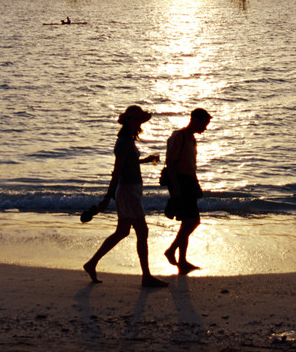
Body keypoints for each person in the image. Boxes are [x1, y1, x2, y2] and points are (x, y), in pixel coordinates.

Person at [83, 105, 168, 287]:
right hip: (128, 191)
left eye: (140, 120)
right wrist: (107, 197)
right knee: (141, 231)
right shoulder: (123, 142)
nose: (139, 123)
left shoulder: (128, 140)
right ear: (128, 121)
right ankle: (146, 276)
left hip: (132, 190)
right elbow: (117, 171)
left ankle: (91, 263)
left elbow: (129, 162)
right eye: (136, 119)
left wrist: (145, 160)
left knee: (122, 231)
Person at [164, 108, 211, 274]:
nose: (205, 128)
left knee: (186, 222)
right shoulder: (179, 136)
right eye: (204, 124)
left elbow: (190, 163)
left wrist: (195, 183)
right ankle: (171, 250)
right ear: (195, 120)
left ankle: (182, 261)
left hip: (189, 181)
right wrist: (176, 188)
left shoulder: (191, 138)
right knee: (193, 220)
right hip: (180, 182)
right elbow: (170, 163)